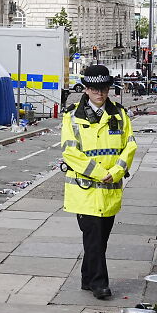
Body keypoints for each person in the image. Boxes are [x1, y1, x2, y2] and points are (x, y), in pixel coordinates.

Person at [61, 64, 137, 300]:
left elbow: (130, 146)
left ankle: (86, 277)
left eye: (104, 88)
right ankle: (99, 284)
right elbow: (70, 152)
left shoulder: (120, 114)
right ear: (85, 89)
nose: (100, 93)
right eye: (94, 88)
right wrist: (98, 173)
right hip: (84, 191)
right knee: (93, 238)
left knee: (100, 239)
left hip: (111, 190)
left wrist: (115, 172)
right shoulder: (72, 116)